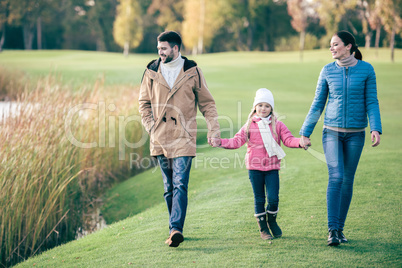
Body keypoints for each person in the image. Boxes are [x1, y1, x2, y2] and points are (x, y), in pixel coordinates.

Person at [299, 30, 382, 246]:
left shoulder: (366, 70)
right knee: (336, 177)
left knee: (347, 181)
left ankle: (340, 228)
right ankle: (333, 230)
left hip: (356, 134)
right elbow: (318, 103)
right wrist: (305, 132)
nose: (331, 48)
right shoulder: (327, 71)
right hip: (332, 132)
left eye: (335, 44)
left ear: (349, 46)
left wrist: (376, 128)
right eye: (330, 45)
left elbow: (372, 101)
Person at [138, 31, 220, 247]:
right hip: (160, 137)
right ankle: (173, 227)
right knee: (168, 187)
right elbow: (143, 103)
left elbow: (208, 104)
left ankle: (176, 229)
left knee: (180, 183)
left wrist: (214, 129)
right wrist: (151, 127)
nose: (160, 52)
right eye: (158, 49)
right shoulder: (151, 70)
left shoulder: (192, 70)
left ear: (175, 48)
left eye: (164, 48)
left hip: (184, 137)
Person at [212, 88, 308, 240]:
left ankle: (272, 221)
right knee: (259, 199)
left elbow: (289, 140)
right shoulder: (249, 125)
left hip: (272, 168)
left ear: (271, 108)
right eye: (260, 105)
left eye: (267, 106)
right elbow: (236, 141)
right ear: (255, 107)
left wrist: (300, 142)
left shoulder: (278, 125)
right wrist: (220, 142)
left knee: (273, 198)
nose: (263, 108)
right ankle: (263, 228)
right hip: (254, 168)